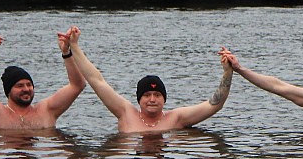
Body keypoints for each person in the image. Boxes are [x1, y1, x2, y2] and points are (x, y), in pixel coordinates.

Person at [64, 27, 234, 133]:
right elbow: (97, 81)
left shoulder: (176, 119)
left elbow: (214, 105)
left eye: (157, 95)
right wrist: (75, 47)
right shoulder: (125, 113)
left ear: (164, 99)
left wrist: (227, 72)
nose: (152, 99)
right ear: (139, 99)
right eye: (147, 95)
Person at [0, 22, 86, 130]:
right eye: (19, 86)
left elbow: (77, 85)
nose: (26, 89)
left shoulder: (47, 111)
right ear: (8, 91)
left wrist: (66, 52)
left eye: (29, 85)